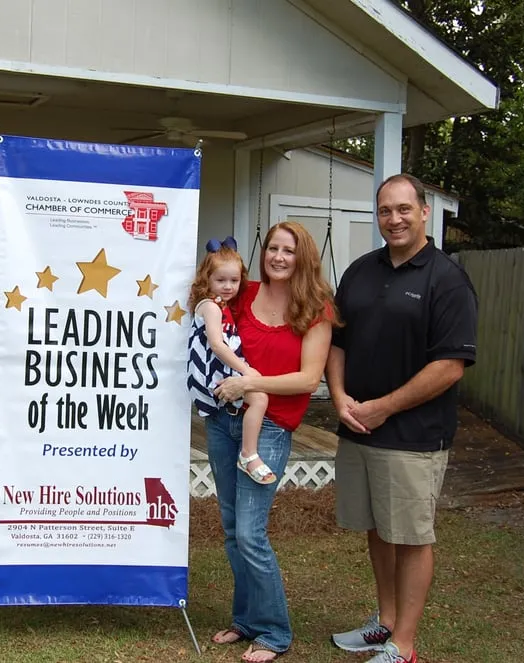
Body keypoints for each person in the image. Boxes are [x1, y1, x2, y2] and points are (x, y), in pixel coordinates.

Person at [326, 174, 478, 663]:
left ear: (425, 211)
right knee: (377, 528)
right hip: (359, 427)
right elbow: (337, 341)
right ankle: (385, 622)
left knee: (411, 536)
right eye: (385, 210)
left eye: (403, 209)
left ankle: (404, 645)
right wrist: (340, 396)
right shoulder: (360, 271)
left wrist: (384, 406)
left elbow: (450, 365)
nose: (393, 219)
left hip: (413, 436)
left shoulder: (446, 279)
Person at [205, 221, 339, 662]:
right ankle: (245, 620)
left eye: (289, 250)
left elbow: (307, 378)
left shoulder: (316, 307)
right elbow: (207, 303)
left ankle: (275, 632)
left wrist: (249, 383)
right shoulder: (243, 292)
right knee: (230, 531)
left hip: (271, 428)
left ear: (304, 258)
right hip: (225, 422)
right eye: (273, 249)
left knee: (251, 533)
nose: (278, 257)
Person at [188, 236, 274, 484]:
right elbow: (217, 344)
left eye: (234, 281)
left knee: (256, 398)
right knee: (259, 396)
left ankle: (247, 452)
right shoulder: (211, 307)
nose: (228, 286)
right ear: (207, 280)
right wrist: (246, 370)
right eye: (221, 280)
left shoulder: (221, 304)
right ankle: (248, 454)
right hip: (211, 373)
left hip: (219, 371)